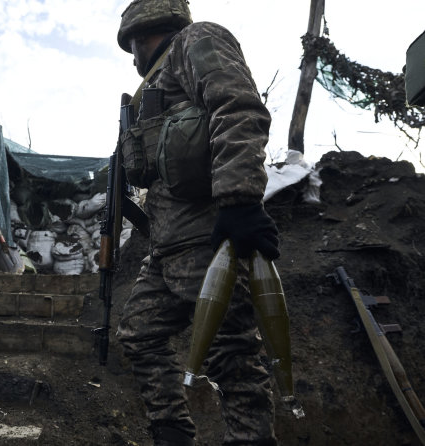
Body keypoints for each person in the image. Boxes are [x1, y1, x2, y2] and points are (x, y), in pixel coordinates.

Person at [114, 1, 281, 445]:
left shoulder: (197, 41)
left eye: (132, 45)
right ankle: (172, 435)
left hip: (208, 241)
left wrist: (240, 199)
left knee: (232, 354)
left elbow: (238, 107)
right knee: (138, 332)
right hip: (167, 249)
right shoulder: (150, 88)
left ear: (145, 30)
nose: (132, 58)